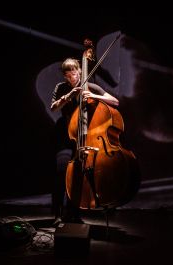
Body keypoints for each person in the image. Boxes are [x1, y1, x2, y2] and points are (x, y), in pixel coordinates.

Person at [50, 58, 119, 227]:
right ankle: (57, 213)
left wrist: (93, 95)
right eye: (67, 75)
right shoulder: (61, 88)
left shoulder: (90, 86)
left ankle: (73, 213)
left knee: (79, 176)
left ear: (80, 71)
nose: (71, 78)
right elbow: (54, 108)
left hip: (84, 137)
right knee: (61, 174)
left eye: (73, 74)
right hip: (65, 136)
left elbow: (115, 101)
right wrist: (68, 96)